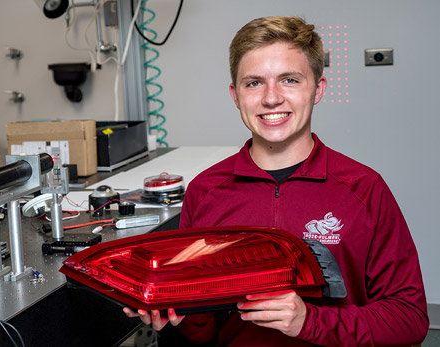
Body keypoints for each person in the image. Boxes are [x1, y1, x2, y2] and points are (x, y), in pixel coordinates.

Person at [124, 16, 428, 346]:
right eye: (254, 83)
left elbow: (409, 319)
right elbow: (204, 332)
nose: (271, 98)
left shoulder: (364, 189)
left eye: (289, 80)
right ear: (235, 94)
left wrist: (309, 321)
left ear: (318, 89)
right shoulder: (205, 191)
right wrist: (178, 311)